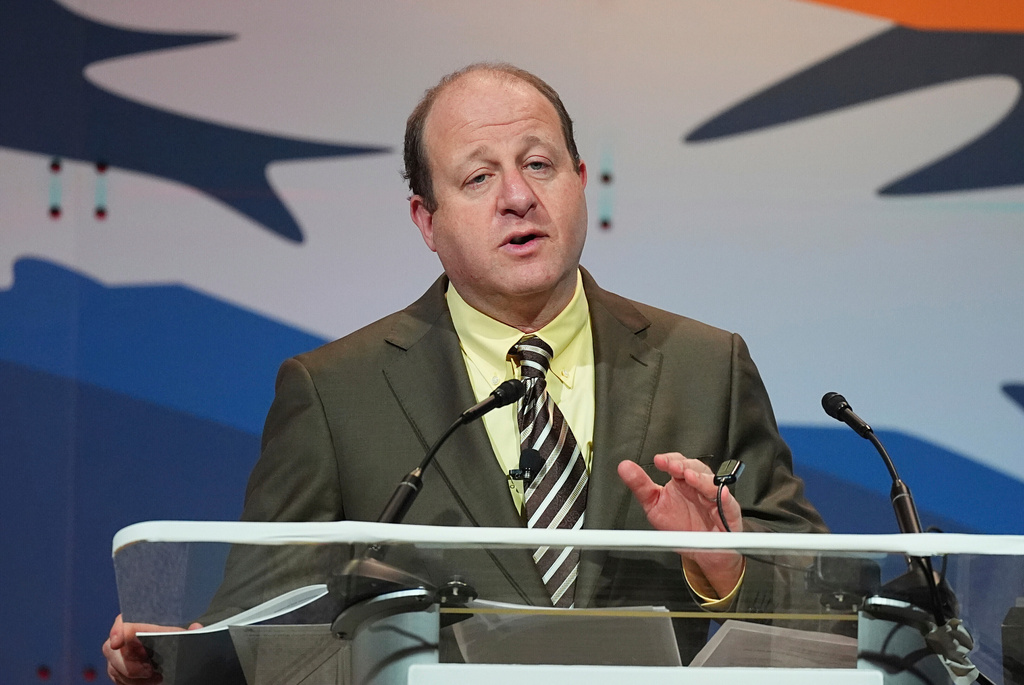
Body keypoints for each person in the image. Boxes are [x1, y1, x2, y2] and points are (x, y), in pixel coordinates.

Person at [103, 62, 826, 683]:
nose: (518, 196)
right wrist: (179, 659)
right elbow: (261, 625)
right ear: (427, 219)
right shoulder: (335, 393)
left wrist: (725, 566)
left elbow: (825, 606)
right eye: (479, 177)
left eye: (539, 165)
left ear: (579, 182)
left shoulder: (704, 363)